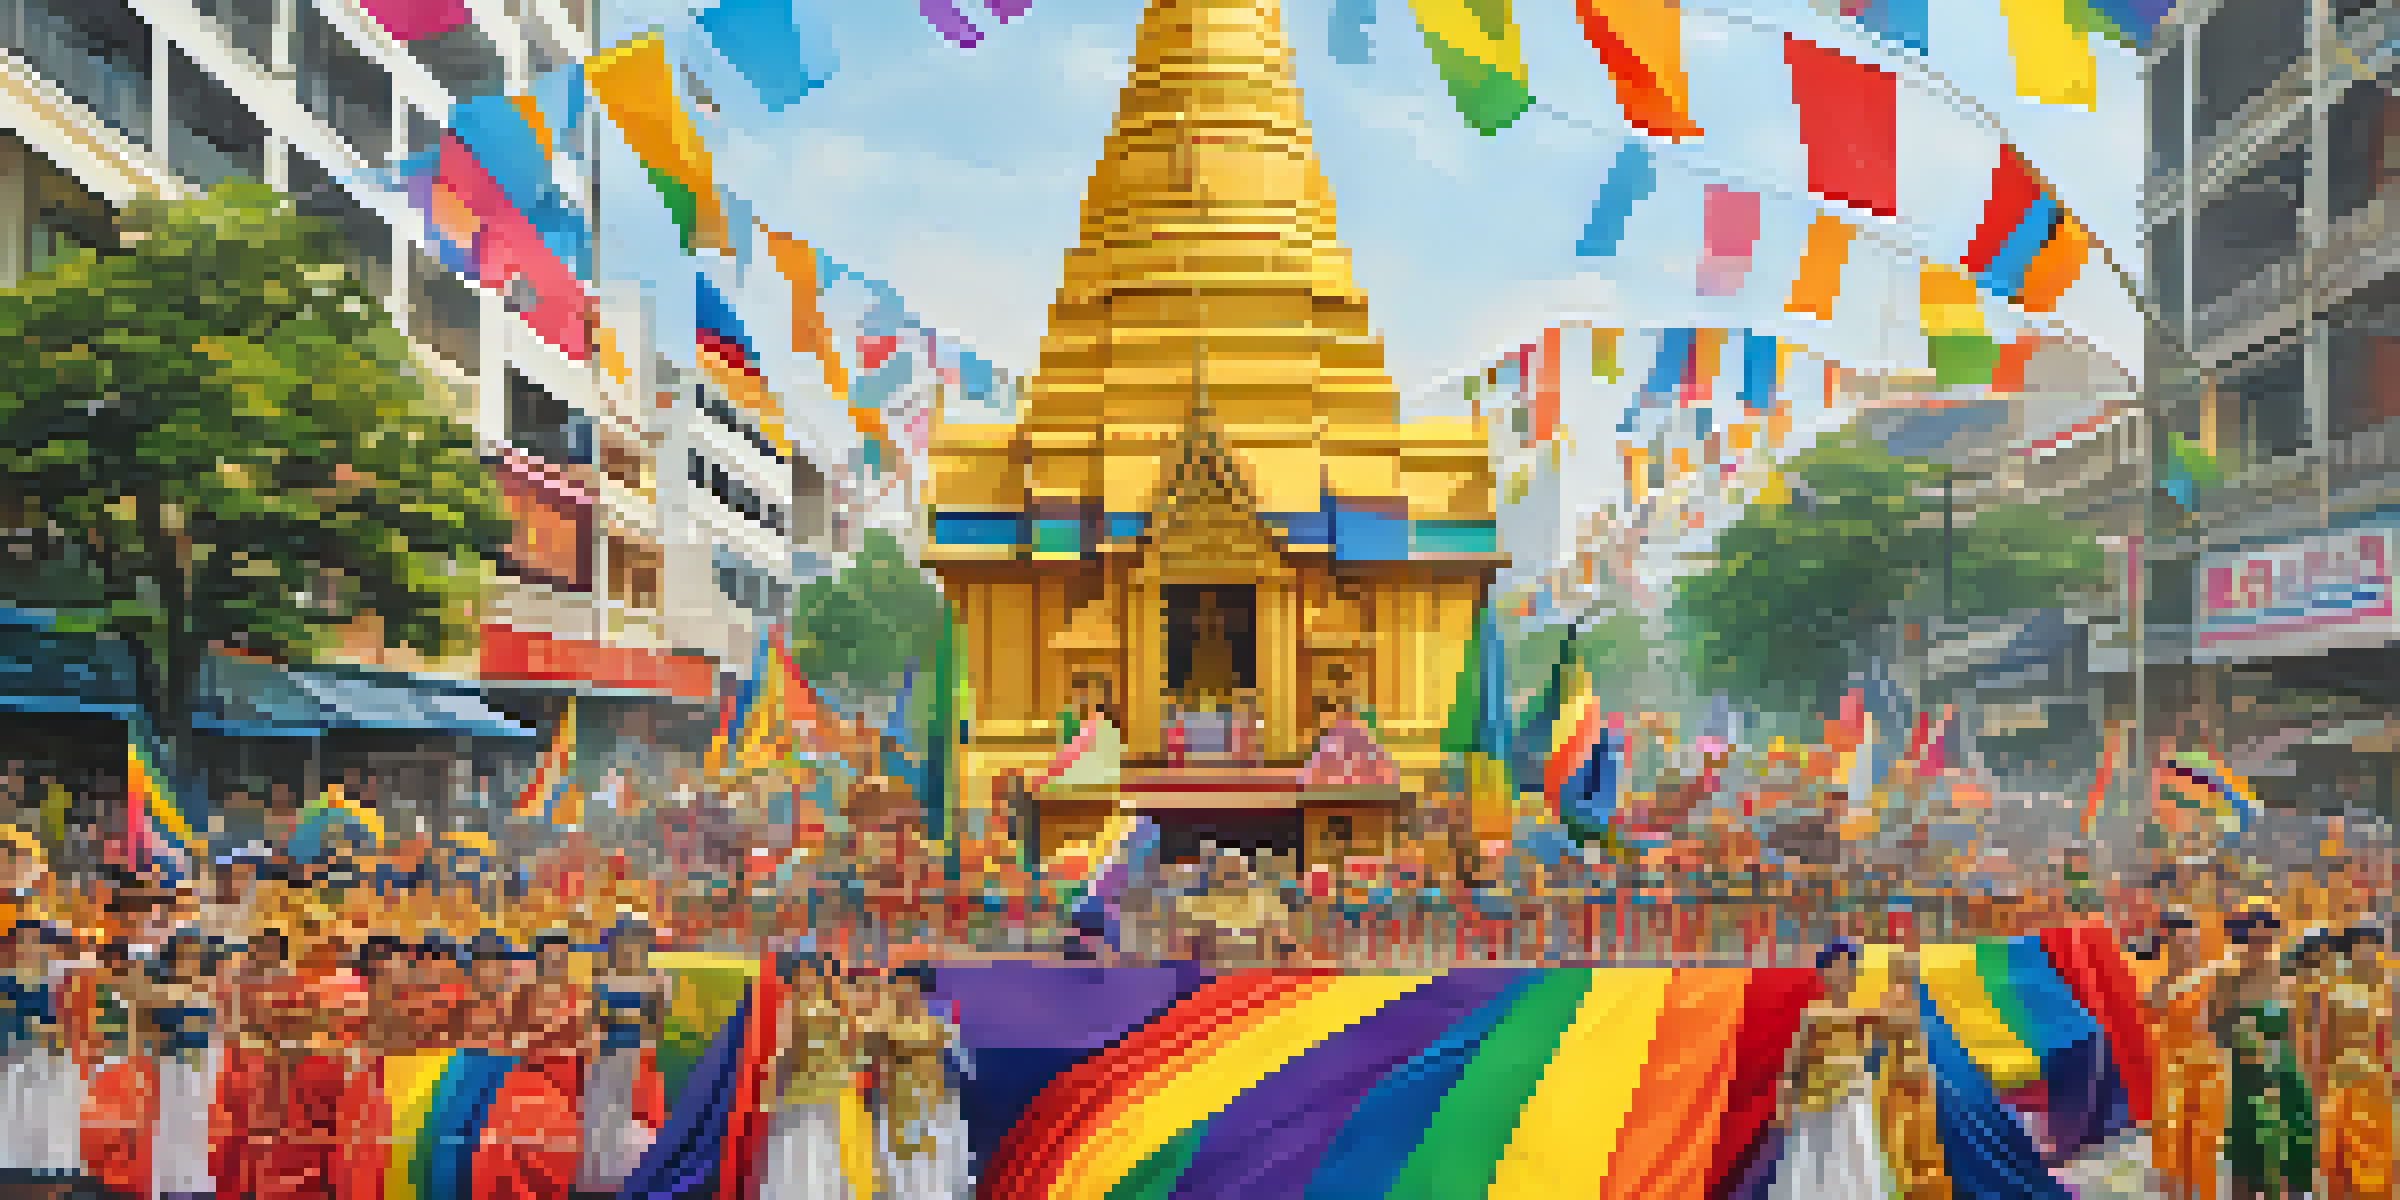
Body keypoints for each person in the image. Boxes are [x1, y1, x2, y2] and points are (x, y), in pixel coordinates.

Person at [1771, 939, 1891, 1200]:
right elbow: (1794, 1062)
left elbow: (1873, 1054)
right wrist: (1785, 1102)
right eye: (1835, 968)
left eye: (1848, 968)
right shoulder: (1813, 1014)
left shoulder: (1865, 1013)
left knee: (1855, 1159)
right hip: (1817, 1102)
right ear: (1824, 974)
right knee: (1817, 1164)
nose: (1842, 975)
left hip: (1852, 1099)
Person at [2215, 905, 2315, 1200]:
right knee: (2246, 1162)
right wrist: (2239, 1036)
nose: (2261, 934)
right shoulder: (2228, 977)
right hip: (2247, 1078)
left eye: (2267, 927)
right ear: (2242, 934)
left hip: (2286, 1077)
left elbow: (2302, 1031)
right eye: (2253, 927)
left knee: (2291, 1161)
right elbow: (2215, 1027)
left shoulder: (2288, 976)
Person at [2149, 907, 2229, 1200]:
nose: (2187, 945)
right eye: (2178, 940)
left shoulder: (2215, 975)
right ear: (2166, 943)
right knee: (2171, 1146)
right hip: (2172, 1073)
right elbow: (2152, 1018)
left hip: (2208, 1071)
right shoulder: (2158, 984)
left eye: (2191, 938)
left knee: (2205, 1145)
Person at [2315, 925, 2391, 1200]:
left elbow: (2388, 1037)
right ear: (2349, 951)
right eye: (2363, 945)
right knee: (2340, 1158)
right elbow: (2324, 1036)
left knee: (2374, 1158)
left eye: (2374, 945)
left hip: (2375, 1085)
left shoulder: (2386, 987)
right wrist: (2319, 1079)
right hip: (2342, 1081)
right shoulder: (2334, 987)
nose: (2370, 951)